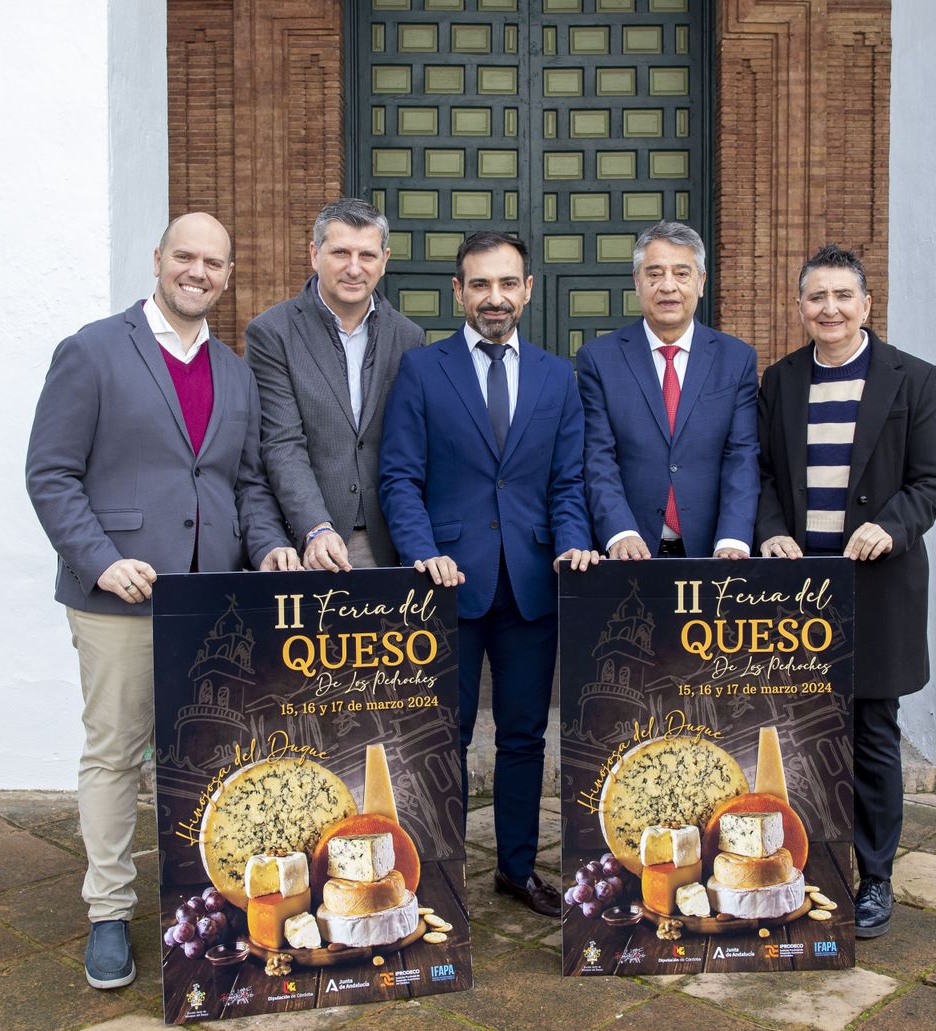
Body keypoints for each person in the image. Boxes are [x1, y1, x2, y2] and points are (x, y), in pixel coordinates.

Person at [26, 213, 298, 988]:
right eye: (186, 256)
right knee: (115, 754)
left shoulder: (234, 372)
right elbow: (50, 472)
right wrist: (101, 561)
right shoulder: (92, 351)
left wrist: (267, 546)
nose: (197, 272)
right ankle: (109, 912)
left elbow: (245, 483)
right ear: (158, 259)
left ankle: (204, 895)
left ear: (228, 275)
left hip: (213, 603)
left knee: (213, 758)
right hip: (121, 597)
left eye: (213, 262)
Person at [378, 231, 599, 917]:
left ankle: (516, 869)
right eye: (479, 284)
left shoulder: (557, 377)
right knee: (441, 736)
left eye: (507, 283)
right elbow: (399, 477)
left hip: (532, 584)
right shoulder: (423, 370)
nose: (494, 297)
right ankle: (437, 875)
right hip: (445, 584)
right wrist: (422, 552)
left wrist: (573, 543)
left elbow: (568, 482)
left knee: (524, 737)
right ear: (458, 292)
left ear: (527, 290)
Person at [755, 244, 936, 939]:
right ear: (800, 307)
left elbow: (933, 481)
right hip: (797, 592)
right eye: (817, 297)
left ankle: (874, 878)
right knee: (794, 733)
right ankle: (801, 865)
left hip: (876, 588)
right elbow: (763, 474)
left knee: (870, 733)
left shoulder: (912, 379)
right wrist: (771, 531)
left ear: (867, 305)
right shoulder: (780, 380)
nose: (830, 308)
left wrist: (890, 527)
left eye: (844, 296)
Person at [244, 198, 425, 572]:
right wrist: (315, 526)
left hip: (390, 543)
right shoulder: (272, 333)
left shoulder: (409, 337)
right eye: (341, 252)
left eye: (367, 255)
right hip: (308, 543)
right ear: (315, 254)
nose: (354, 268)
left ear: (384, 260)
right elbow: (282, 443)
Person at [576, 221, 759, 559]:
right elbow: (598, 456)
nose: (668, 286)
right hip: (630, 550)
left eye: (681, 273)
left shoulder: (737, 359)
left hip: (712, 550)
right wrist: (620, 532)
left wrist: (733, 538)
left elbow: (742, 455)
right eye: (655, 274)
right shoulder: (599, 359)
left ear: (701, 282)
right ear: (637, 282)